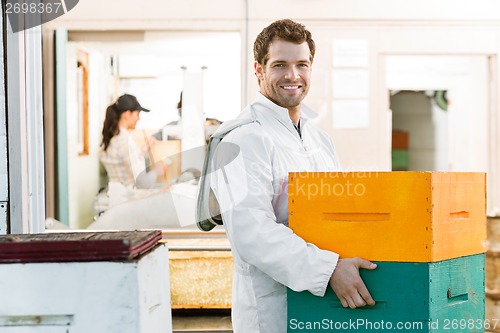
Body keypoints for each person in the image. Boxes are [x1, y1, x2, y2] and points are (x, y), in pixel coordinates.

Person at [206, 19, 377, 332]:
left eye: (302, 64)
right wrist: (329, 270)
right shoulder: (242, 139)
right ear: (258, 69)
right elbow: (252, 234)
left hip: (325, 305)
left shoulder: (320, 140)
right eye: (279, 64)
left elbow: (335, 217)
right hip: (273, 310)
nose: (292, 75)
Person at [100, 94, 165, 189]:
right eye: (137, 114)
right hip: (129, 198)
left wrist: (141, 152)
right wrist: (157, 171)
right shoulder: (125, 142)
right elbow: (143, 183)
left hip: (116, 194)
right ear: (127, 114)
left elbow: (122, 163)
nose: (138, 119)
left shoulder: (112, 138)